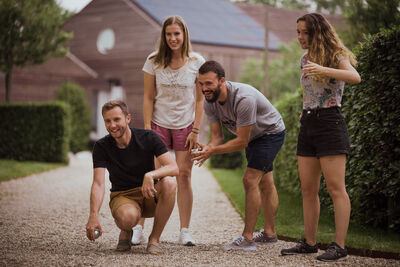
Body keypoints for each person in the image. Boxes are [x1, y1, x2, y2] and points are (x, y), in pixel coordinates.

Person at [280, 13, 361, 262]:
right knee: (308, 189)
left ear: (317, 32)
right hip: (308, 123)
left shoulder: (338, 55)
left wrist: (324, 68)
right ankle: (309, 243)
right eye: (298, 32)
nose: (300, 37)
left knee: (336, 189)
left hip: (330, 123)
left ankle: (339, 246)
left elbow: (355, 77)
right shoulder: (304, 59)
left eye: (305, 32)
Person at [193, 60, 286, 251]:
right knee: (266, 183)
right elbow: (217, 137)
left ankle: (247, 238)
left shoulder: (244, 98)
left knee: (250, 179)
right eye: (201, 84)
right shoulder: (210, 102)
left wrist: (212, 150)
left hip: (270, 132)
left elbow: (242, 141)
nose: (204, 88)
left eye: (209, 83)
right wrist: (208, 148)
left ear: (222, 81)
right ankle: (269, 234)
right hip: (254, 137)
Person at [137, 15, 205, 246]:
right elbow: (147, 97)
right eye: (169, 34)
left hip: (185, 127)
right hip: (158, 125)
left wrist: (196, 130)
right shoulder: (153, 60)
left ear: (184, 35)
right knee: (156, 179)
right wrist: (147, 129)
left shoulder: (196, 61)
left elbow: (199, 100)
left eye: (177, 33)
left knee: (184, 176)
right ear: (163, 37)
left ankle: (185, 230)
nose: (173, 38)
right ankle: (139, 227)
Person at [85, 100, 178, 255]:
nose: (112, 125)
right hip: (123, 196)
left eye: (116, 119)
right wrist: (93, 215)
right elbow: (98, 184)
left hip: (149, 192)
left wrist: (151, 175)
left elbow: (174, 167)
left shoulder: (148, 137)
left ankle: (154, 239)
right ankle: (126, 231)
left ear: (128, 118)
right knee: (128, 219)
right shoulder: (101, 146)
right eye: (107, 121)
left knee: (169, 182)